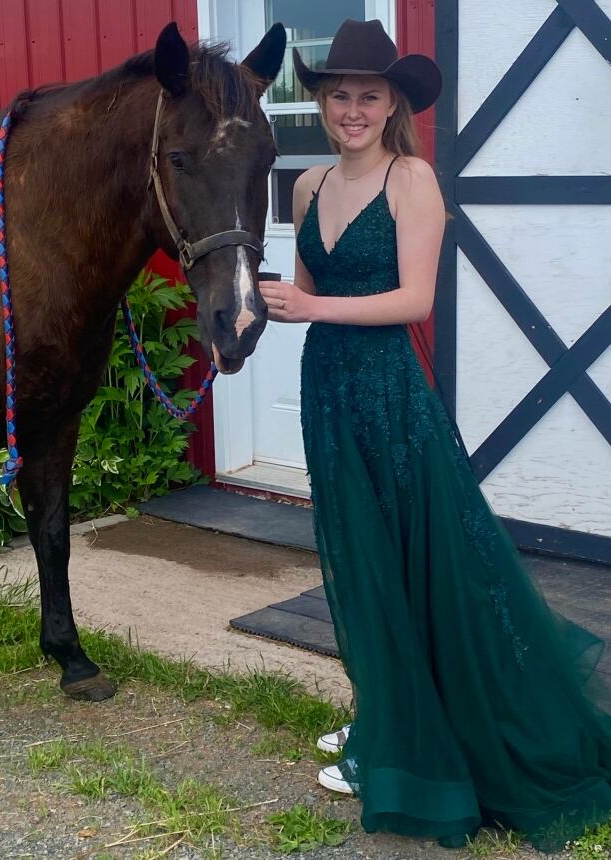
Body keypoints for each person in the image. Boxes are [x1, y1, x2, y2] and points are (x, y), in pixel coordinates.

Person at [259, 18, 611, 851]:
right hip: (328, 390)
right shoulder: (306, 188)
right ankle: (383, 713)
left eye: (368, 96)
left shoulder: (412, 180)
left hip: (390, 392)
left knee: (416, 559)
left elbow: (413, 300)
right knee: (358, 554)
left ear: (392, 105)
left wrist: (309, 307)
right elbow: (309, 292)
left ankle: (411, 733)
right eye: (338, 93)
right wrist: (259, 309)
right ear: (318, 101)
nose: (351, 109)